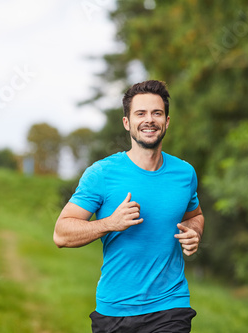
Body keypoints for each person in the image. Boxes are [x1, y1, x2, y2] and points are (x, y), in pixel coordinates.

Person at [53, 80, 205, 333]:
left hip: (171, 305)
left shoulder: (184, 173)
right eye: (140, 113)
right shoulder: (102, 173)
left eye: (157, 113)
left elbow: (196, 215)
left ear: (167, 121)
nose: (150, 120)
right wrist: (110, 223)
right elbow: (61, 233)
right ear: (127, 123)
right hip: (115, 311)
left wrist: (194, 232)